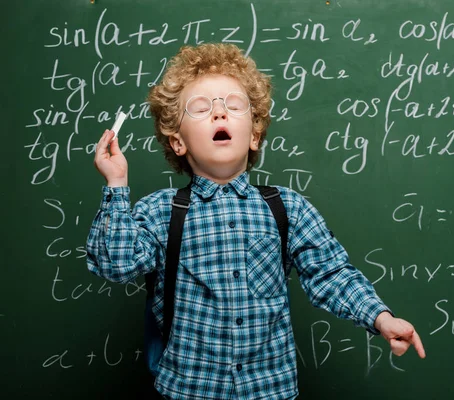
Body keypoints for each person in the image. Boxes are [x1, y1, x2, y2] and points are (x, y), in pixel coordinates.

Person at [87, 43, 425, 400]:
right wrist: (116, 184)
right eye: (201, 108)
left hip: (270, 391)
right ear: (178, 142)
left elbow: (332, 274)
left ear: (254, 135)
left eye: (234, 106)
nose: (219, 113)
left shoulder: (286, 208)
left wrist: (381, 318)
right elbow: (115, 264)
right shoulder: (160, 212)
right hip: (188, 391)